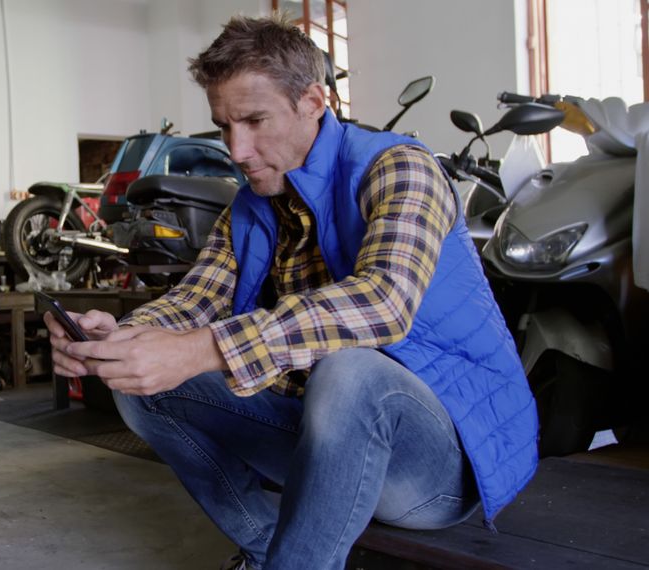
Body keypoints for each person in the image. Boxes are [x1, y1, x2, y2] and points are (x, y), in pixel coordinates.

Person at [45, 12, 538, 570]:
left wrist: (200, 350)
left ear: (313, 101)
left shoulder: (400, 168)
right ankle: (265, 549)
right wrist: (121, 340)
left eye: (255, 121)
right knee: (139, 384)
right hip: (320, 441)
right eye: (225, 125)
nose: (237, 148)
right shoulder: (251, 205)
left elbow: (383, 302)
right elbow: (196, 300)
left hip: (437, 466)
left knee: (351, 371)